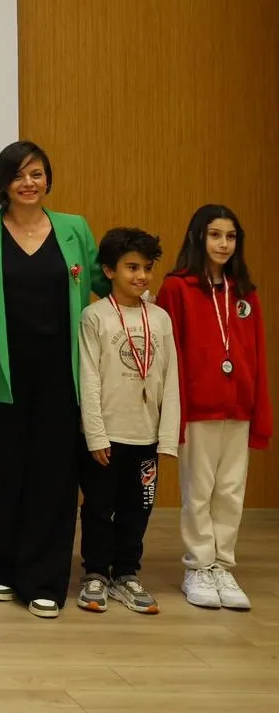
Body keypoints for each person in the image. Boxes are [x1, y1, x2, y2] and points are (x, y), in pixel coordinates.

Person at [0, 141, 103, 618]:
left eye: (37, 174)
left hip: (62, 376)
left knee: (56, 478)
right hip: (2, 375)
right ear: (2, 182)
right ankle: (2, 569)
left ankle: (44, 579)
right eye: (19, 174)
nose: (29, 183)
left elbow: (101, 287)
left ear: (48, 180)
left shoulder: (73, 228)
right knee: (5, 473)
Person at [156, 205, 271, 611]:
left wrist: (259, 409)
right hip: (198, 408)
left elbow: (257, 354)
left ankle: (222, 565)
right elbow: (168, 355)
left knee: (231, 491)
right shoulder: (177, 287)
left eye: (231, 236)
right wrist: (173, 414)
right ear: (198, 238)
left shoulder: (244, 292)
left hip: (238, 407)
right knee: (199, 491)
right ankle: (199, 565)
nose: (223, 244)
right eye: (215, 235)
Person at [75, 228, 179, 615]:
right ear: (109, 270)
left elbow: (171, 379)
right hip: (106, 436)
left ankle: (126, 574)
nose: (141, 276)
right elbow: (89, 378)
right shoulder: (95, 316)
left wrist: (167, 437)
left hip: (145, 435)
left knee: (139, 508)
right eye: (132, 267)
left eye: (147, 268)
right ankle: (95, 574)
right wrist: (95, 435)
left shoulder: (161, 319)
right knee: (99, 508)